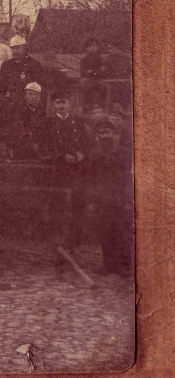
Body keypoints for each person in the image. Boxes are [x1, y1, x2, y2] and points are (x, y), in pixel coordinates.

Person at [83, 117, 133, 276]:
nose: (104, 135)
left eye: (107, 132)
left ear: (114, 133)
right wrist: (91, 201)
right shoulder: (94, 155)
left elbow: (129, 178)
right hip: (102, 201)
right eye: (101, 132)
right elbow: (89, 180)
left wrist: (128, 200)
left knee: (122, 233)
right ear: (97, 136)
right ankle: (108, 265)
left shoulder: (124, 153)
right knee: (105, 233)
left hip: (120, 200)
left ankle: (124, 266)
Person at [48, 91, 89, 251]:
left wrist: (82, 154)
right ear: (54, 105)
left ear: (69, 104)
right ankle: (58, 243)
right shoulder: (48, 123)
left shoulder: (78, 122)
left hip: (77, 171)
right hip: (58, 171)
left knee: (77, 205)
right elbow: (44, 148)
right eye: (58, 103)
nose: (61, 106)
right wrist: (62, 156)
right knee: (58, 206)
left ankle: (75, 243)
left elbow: (87, 144)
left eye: (64, 102)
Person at [0, 36, 47, 106]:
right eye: (13, 48)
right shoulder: (6, 65)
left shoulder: (34, 65)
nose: (15, 51)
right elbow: (1, 88)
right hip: (10, 104)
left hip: (28, 104)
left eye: (18, 48)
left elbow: (42, 88)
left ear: (24, 48)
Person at [5, 81, 48, 160]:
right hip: (22, 150)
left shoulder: (42, 112)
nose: (33, 97)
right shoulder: (18, 112)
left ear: (40, 97)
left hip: (39, 152)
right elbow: (15, 134)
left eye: (36, 94)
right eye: (30, 94)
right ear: (25, 96)